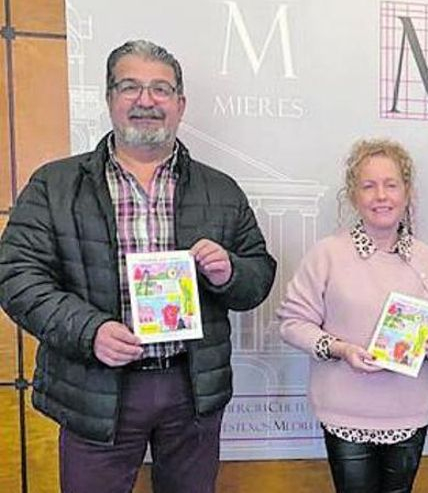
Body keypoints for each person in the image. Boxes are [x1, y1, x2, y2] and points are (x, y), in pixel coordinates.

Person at [0, 39, 276, 493]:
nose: (146, 100)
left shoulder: (221, 189)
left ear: (180, 104)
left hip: (192, 389)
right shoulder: (55, 183)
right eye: (130, 87)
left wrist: (230, 272)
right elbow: (17, 276)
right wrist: (90, 332)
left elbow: (258, 275)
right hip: (96, 388)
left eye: (161, 90)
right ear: (109, 98)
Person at [277, 139, 428, 493]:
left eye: (391, 185)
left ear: (407, 193)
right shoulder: (327, 254)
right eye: (368, 185)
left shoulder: (427, 259)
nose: (381, 196)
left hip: (409, 409)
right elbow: (291, 323)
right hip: (345, 410)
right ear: (353, 194)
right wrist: (339, 348)